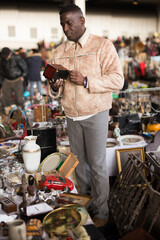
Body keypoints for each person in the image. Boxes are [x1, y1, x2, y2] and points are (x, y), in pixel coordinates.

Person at [47, 4, 124, 227]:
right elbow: (55, 92)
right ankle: (86, 203)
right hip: (72, 116)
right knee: (79, 165)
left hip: (96, 113)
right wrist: (54, 85)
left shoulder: (102, 45)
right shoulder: (59, 51)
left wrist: (87, 80)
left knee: (98, 165)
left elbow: (117, 80)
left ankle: (103, 211)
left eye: (69, 23)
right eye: (62, 24)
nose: (65, 28)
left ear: (82, 21)